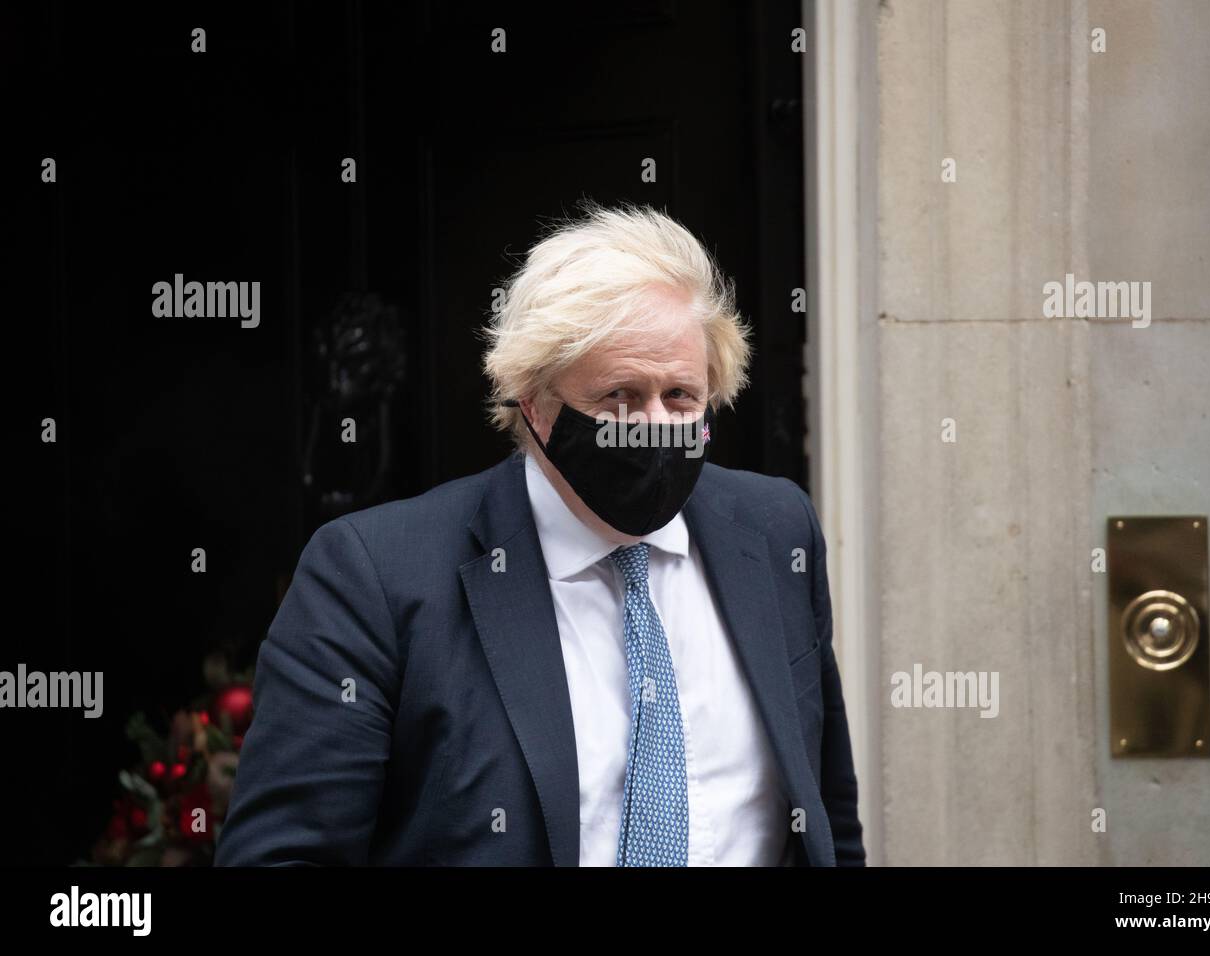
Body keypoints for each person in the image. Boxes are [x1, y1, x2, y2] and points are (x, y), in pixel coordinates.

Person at [215, 202, 865, 866]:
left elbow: (828, 814)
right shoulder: (374, 576)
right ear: (534, 400)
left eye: (680, 397)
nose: (649, 426)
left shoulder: (775, 530)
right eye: (617, 395)